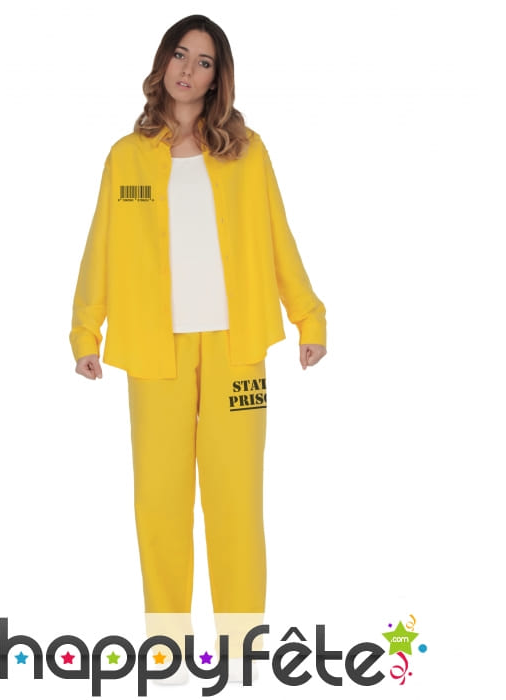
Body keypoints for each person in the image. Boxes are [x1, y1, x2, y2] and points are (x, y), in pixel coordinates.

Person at [69, 14, 327, 685]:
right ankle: (169, 653)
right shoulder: (127, 158)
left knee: (236, 501)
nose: (188, 70)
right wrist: (86, 330)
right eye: (180, 55)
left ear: (218, 78)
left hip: (238, 351)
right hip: (154, 351)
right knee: (159, 503)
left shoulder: (248, 151)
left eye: (204, 61)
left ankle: (241, 651)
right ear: (163, 63)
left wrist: (308, 316)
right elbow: (102, 246)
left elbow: (278, 234)